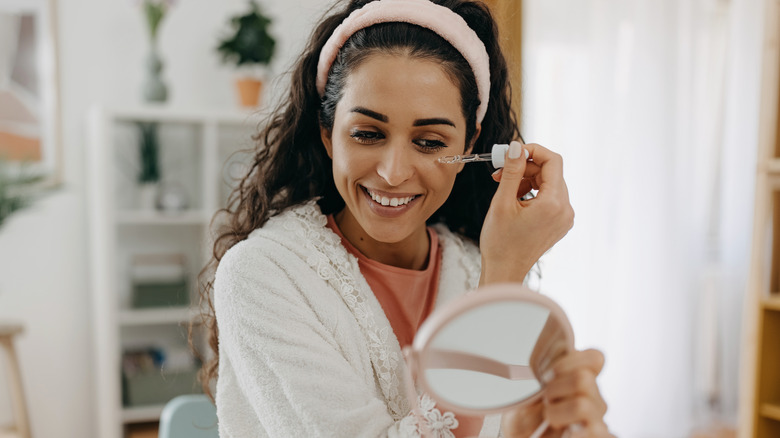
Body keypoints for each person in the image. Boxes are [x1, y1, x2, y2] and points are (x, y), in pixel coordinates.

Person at [196, 0, 611, 436]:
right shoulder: (261, 275)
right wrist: (504, 278)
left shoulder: (474, 265)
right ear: (328, 134)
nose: (393, 173)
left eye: (430, 142)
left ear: (469, 144)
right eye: (368, 134)